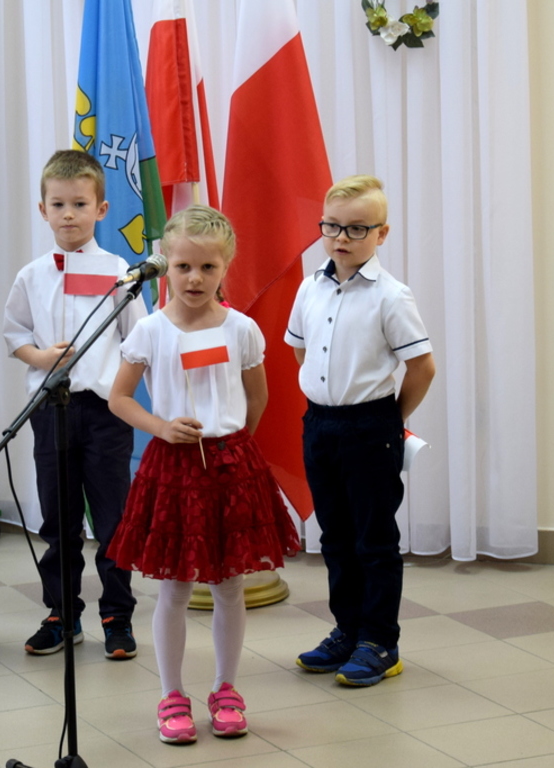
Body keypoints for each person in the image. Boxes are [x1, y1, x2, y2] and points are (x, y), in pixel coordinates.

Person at [107, 205, 300, 744]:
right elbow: (120, 398)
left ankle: (226, 688)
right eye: (184, 266)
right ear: (165, 263)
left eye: (208, 268)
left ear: (225, 267)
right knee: (173, 587)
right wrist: (161, 427)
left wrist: (230, 442)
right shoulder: (149, 329)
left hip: (230, 465)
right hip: (173, 466)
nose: (195, 278)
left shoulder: (241, 329)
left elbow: (256, 397)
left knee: (230, 585)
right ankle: (172, 693)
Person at [287, 175, 435, 688]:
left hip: (371, 426)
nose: (341, 237)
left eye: (356, 228)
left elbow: (422, 368)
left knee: (373, 540)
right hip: (320, 424)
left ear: (381, 233)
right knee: (335, 537)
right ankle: (346, 631)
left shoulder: (391, 296)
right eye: (332, 226)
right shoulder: (310, 285)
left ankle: (380, 641)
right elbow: (300, 349)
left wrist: (389, 420)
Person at [3, 150, 144, 660]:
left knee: (112, 520)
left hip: (105, 414)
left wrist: (116, 387)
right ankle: (63, 613)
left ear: (100, 210)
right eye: (58, 204)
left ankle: (117, 616)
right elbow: (13, 331)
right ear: (42, 209)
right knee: (57, 521)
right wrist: (40, 355)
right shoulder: (31, 276)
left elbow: (138, 342)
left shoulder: (120, 272)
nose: (68, 214)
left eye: (79, 204)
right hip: (51, 410)